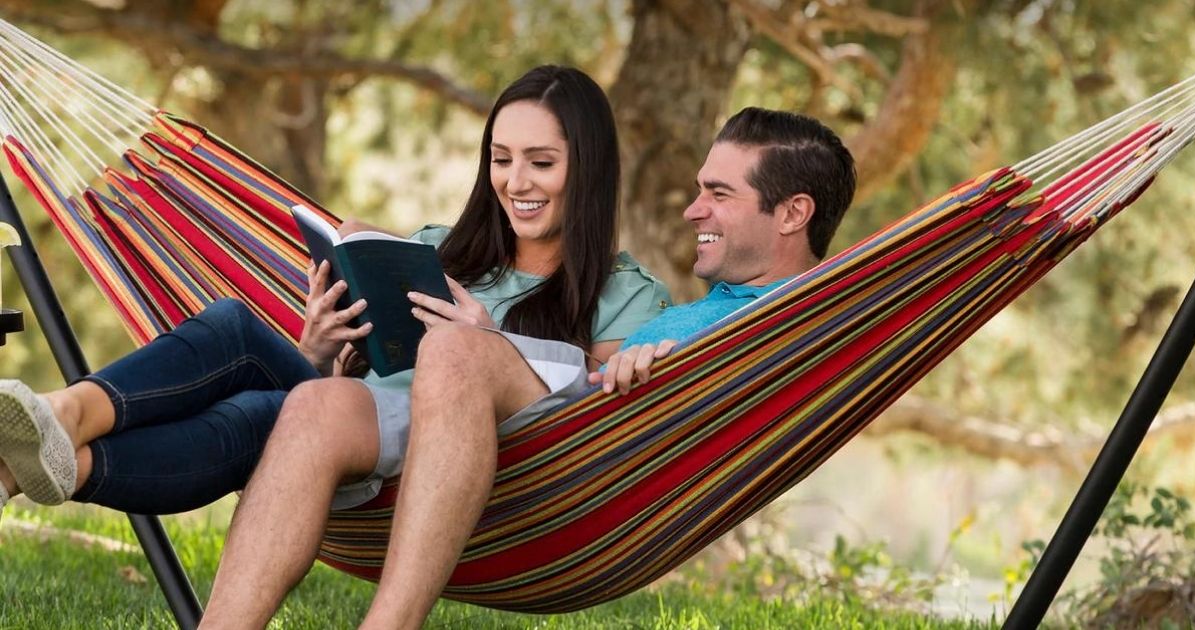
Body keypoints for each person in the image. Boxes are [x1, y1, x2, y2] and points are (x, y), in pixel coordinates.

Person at [198, 107, 856, 629]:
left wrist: (675, 370)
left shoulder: (797, 319)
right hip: (538, 433)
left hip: (579, 456)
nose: (693, 211)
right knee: (317, 401)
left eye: (718, 194)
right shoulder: (706, 308)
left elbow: (717, 395)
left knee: (456, 349)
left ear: (794, 213)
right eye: (697, 192)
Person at [0, 65, 669, 520]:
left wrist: (484, 343)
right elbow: (365, 365)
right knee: (240, 335)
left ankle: (59, 429)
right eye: (501, 158)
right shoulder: (440, 248)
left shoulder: (626, 296)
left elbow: (595, 433)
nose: (516, 181)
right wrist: (321, 346)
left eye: (542, 162)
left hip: (419, 464)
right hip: (341, 408)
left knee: (267, 410)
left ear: (590, 166)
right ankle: (60, 437)